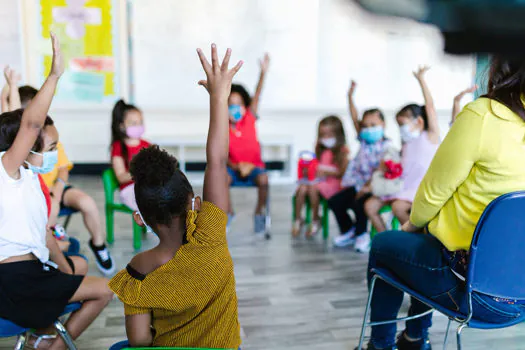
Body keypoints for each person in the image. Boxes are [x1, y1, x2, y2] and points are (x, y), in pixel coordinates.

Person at [360, 56, 525, 350]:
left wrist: (412, 223)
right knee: (424, 247)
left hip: (469, 289)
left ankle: (382, 344)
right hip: (518, 295)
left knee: (385, 245)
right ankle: (413, 338)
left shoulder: (485, 115)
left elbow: (433, 193)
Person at [109, 44, 242, 349]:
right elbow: (217, 161)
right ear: (193, 203)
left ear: (139, 218)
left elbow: (140, 340)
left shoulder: (139, 269)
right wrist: (218, 97)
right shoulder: (211, 235)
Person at [0, 33, 112, 350]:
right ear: (22, 147)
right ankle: (51, 343)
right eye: (50, 147)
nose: (53, 154)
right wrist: (54, 75)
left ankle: (44, 337)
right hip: (16, 281)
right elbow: (28, 124)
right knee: (105, 289)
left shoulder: (28, 180)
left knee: (81, 270)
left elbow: (46, 237)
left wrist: (66, 278)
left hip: (33, 273)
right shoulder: (5, 171)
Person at [9, 83, 115, 276]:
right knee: (50, 212)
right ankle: (53, 251)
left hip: (58, 188)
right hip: (41, 196)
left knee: (88, 203)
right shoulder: (18, 153)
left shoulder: (50, 138)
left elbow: (63, 168)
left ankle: (99, 245)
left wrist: (58, 189)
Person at [364, 66, 440, 240]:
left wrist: (421, 79)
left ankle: (415, 242)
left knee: (398, 207)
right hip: (400, 188)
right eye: (398, 125)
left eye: (403, 124)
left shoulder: (430, 137)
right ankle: (387, 241)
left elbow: (430, 107)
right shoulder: (406, 143)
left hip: (419, 191)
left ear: (419, 121)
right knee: (369, 206)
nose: (401, 129)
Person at [329, 80, 392, 251]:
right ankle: (349, 230)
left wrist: (367, 187)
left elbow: (382, 173)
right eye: (365, 125)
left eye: (373, 125)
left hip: (373, 187)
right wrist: (350, 96)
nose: (368, 129)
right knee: (335, 202)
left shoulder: (387, 147)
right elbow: (353, 117)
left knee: (360, 204)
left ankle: (362, 235)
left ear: (383, 125)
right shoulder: (364, 139)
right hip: (357, 184)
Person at [227, 53, 270, 235]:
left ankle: (260, 212)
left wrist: (263, 73)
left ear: (245, 105)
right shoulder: (222, 126)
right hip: (233, 168)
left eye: (239, 104)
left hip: (254, 168)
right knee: (221, 179)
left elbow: (257, 95)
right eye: (230, 104)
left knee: (264, 180)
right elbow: (221, 155)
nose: (235, 108)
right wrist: (236, 166)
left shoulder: (249, 118)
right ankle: (228, 212)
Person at [293, 116, 348, 237]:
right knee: (302, 188)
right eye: (323, 135)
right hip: (319, 181)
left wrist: (326, 172)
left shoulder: (343, 151)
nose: (326, 138)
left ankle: (316, 219)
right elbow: (315, 166)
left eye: (329, 134)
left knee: (312, 187)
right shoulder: (320, 150)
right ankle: (298, 219)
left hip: (333, 184)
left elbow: (342, 173)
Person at [110, 99, 151, 211]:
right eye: (134, 123)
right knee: (149, 204)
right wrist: (141, 172)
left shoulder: (147, 145)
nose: (139, 126)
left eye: (140, 122)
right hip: (129, 190)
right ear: (121, 126)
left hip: (148, 188)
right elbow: (121, 177)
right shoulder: (118, 147)